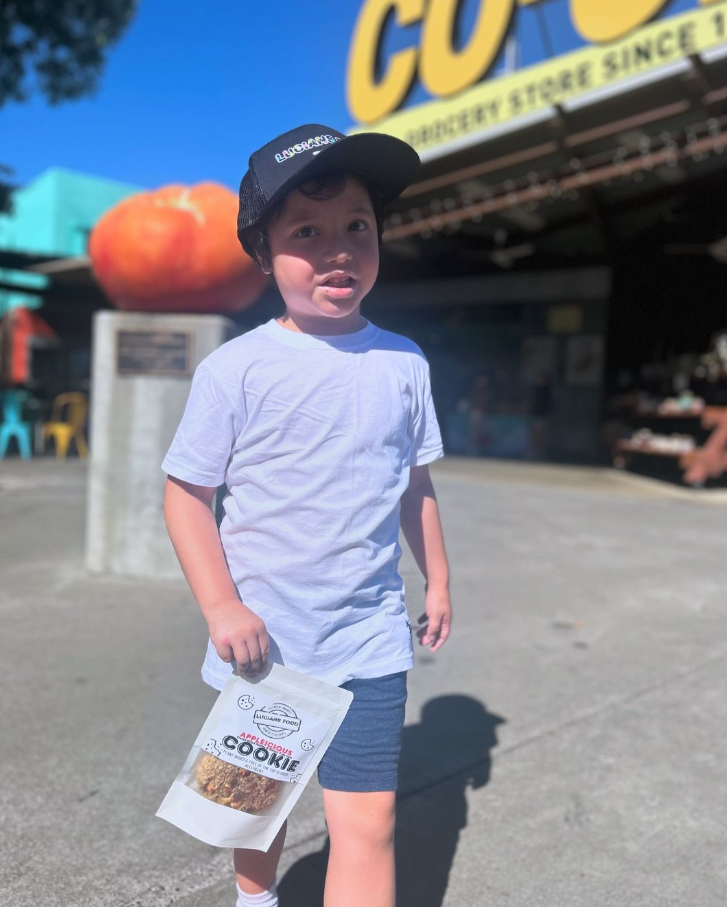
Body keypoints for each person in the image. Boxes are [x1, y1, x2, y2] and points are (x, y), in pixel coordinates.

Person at [161, 124, 453, 907]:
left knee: (370, 821)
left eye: (356, 226)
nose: (338, 251)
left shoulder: (404, 362)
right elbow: (186, 494)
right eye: (307, 233)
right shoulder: (236, 368)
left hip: (368, 635)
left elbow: (414, 483)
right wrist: (222, 607)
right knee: (252, 806)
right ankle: (254, 901)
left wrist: (437, 579)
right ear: (263, 253)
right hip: (267, 640)